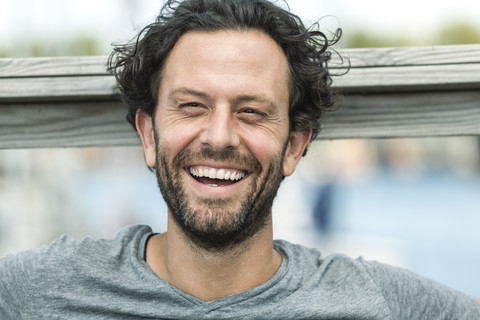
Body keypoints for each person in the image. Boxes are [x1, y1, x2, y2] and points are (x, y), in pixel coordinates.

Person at [1, 0, 479, 318]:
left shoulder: (377, 301)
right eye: (192, 106)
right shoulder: (38, 289)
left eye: (251, 112)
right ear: (148, 134)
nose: (220, 136)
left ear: (294, 146)